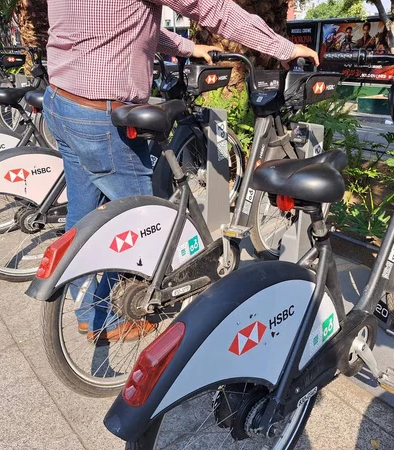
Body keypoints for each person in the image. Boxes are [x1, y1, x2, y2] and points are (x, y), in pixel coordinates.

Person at [43, 0, 320, 342]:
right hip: (103, 113)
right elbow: (212, 7)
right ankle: (108, 319)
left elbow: (123, 24)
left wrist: (189, 47)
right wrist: (284, 47)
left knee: (82, 214)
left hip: (61, 101)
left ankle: (85, 311)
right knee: (142, 219)